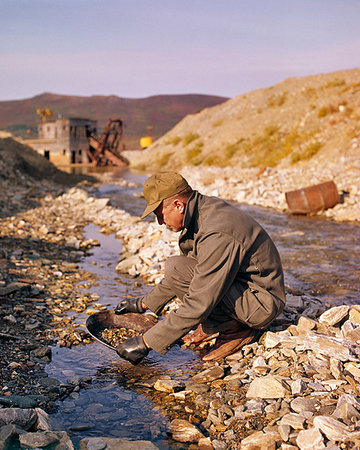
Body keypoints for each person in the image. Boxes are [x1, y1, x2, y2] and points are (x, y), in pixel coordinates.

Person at [115, 172, 286, 364]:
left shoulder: (216, 231)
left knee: (180, 271)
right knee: (177, 267)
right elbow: (184, 273)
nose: (160, 222)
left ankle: (235, 330)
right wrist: (143, 304)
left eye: (159, 214)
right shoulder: (200, 211)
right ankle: (219, 323)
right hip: (244, 287)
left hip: (261, 304)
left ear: (178, 205)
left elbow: (199, 299)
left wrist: (146, 342)